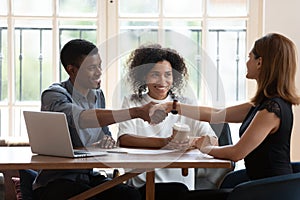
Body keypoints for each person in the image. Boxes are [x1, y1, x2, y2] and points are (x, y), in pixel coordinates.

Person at [151, 33, 300, 199]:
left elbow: (237, 153)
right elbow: (217, 114)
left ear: (260, 62)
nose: (246, 62)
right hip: (259, 185)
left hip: (269, 192)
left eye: (249, 57)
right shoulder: (264, 104)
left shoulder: (272, 110)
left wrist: (205, 147)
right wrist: (173, 106)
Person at [32, 39, 159, 200]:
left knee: (130, 195)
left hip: (87, 176)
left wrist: (106, 141)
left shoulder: (97, 95)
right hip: (56, 182)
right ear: (72, 70)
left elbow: (104, 134)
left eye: (100, 65)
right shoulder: (54, 95)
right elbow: (82, 118)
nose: (99, 72)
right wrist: (136, 112)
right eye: (92, 68)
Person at [117, 44, 217, 200]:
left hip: (181, 186)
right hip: (142, 186)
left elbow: (213, 140)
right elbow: (124, 139)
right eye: (155, 74)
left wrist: (192, 142)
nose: (162, 81)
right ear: (144, 76)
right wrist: (165, 142)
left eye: (168, 75)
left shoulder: (186, 104)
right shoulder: (132, 102)